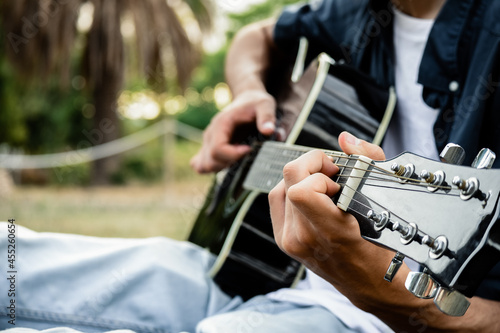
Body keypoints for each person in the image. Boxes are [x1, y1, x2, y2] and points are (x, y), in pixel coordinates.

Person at [2, 1, 500, 333]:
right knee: (17, 260)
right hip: (258, 272)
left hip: (362, 320)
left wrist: (392, 300)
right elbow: (257, 37)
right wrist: (249, 95)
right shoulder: (356, 10)